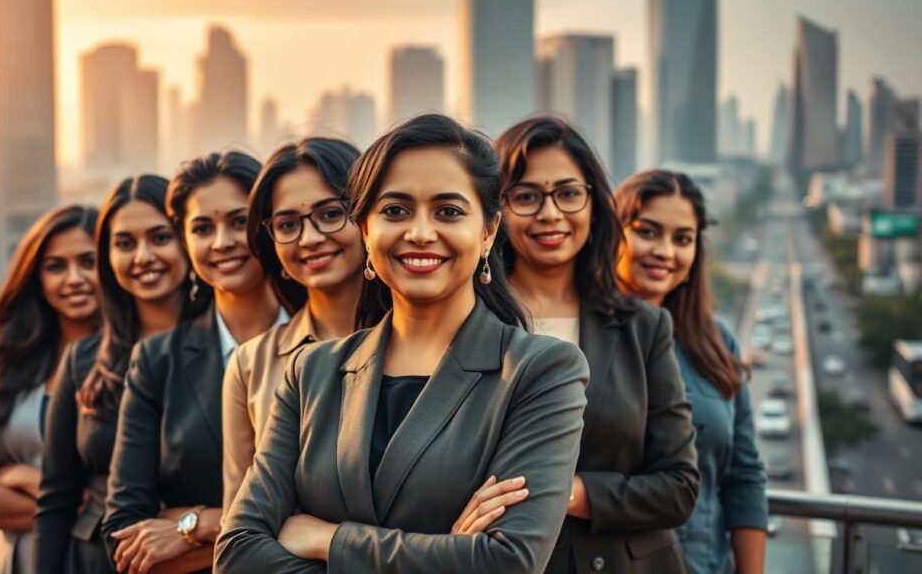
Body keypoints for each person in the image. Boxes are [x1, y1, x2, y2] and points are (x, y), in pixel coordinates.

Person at [215, 113, 589, 573]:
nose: (420, 232)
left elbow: (507, 563)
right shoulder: (310, 372)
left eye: (448, 211)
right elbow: (236, 554)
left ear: (489, 231)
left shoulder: (540, 371)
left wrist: (330, 539)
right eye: (395, 211)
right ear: (366, 229)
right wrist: (445, 552)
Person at [494, 117, 699, 574]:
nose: (550, 214)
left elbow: (680, 486)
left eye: (568, 193)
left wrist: (567, 493)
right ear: (496, 212)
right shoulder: (467, 323)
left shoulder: (643, 327)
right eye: (526, 196)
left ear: (592, 204)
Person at [103, 151, 285, 574]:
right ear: (185, 241)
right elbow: (123, 533)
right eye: (203, 228)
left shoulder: (327, 343)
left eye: (239, 222)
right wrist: (278, 535)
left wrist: (194, 524)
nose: (221, 242)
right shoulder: (156, 361)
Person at [35, 175, 207, 573]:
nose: (142, 256)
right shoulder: (83, 360)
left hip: (200, 557)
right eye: (124, 244)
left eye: (160, 238)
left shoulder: (227, 347)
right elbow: (56, 499)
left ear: (185, 240)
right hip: (95, 559)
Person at [615, 170, 767, 574]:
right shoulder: (583, 338)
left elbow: (744, 475)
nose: (665, 251)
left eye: (682, 239)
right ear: (612, 235)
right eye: (647, 231)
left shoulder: (719, 344)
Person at [222, 137, 363, 510]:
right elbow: (239, 525)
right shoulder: (249, 365)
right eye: (288, 224)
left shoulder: (430, 342)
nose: (311, 238)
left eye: (331, 214)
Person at [0, 205, 100, 574]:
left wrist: (15, 476)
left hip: (93, 562)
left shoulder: (134, 360)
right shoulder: (15, 364)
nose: (74, 278)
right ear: (36, 277)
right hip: (15, 563)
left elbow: (105, 509)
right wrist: (52, 491)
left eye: (89, 261)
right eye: (56, 266)